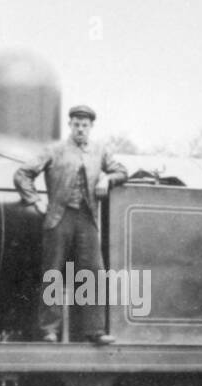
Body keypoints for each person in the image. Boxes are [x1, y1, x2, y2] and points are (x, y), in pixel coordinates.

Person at [14, 104, 129, 343]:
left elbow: (122, 171)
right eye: (76, 125)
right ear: (70, 125)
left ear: (91, 127)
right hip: (59, 217)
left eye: (84, 125)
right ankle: (49, 330)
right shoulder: (54, 150)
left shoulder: (100, 151)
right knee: (53, 272)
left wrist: (107, 178)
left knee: (93, 273)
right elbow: (22, 174)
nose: (80, 129)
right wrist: (35, 200)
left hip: (87, 217)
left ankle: (94, 331)